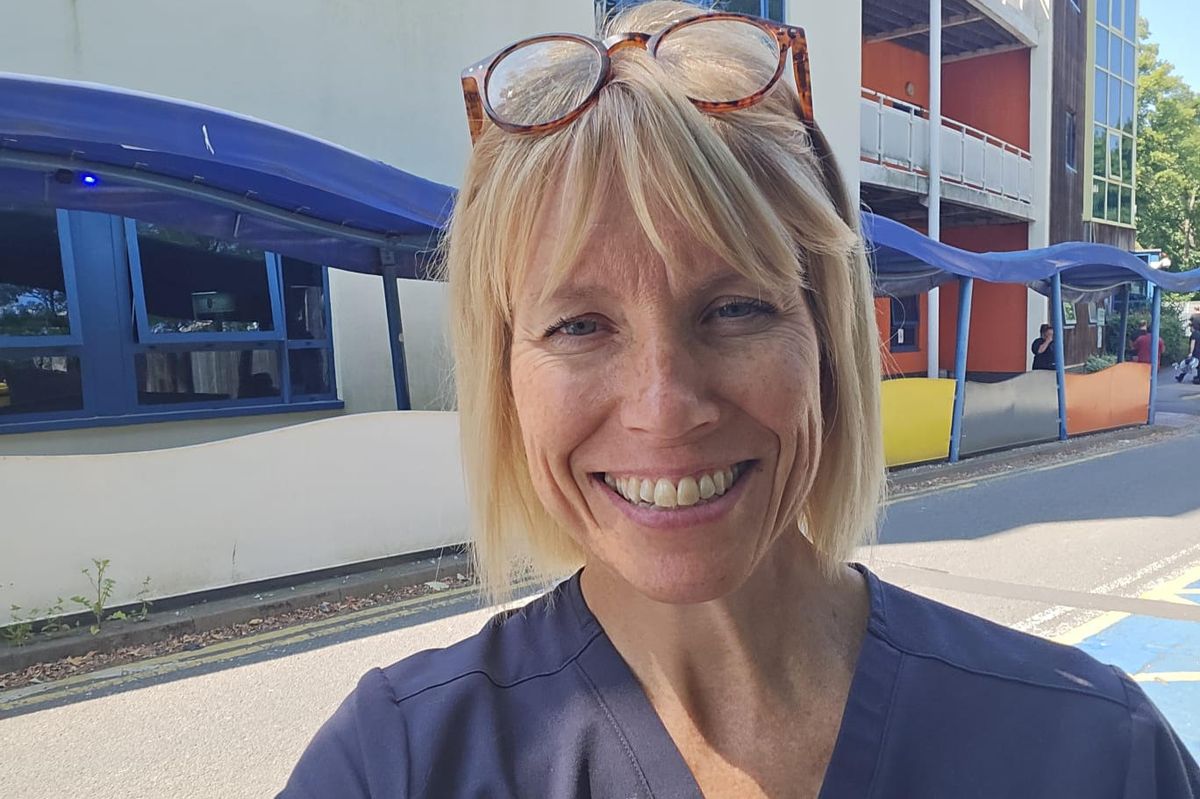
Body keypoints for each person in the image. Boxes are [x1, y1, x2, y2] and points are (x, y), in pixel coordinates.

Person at [280, 3, 1200, 796]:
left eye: (733, 307)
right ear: (504, 376)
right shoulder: (392, 768)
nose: (664, 405)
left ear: (830, 342)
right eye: (578, 326)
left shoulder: (1088, 755)